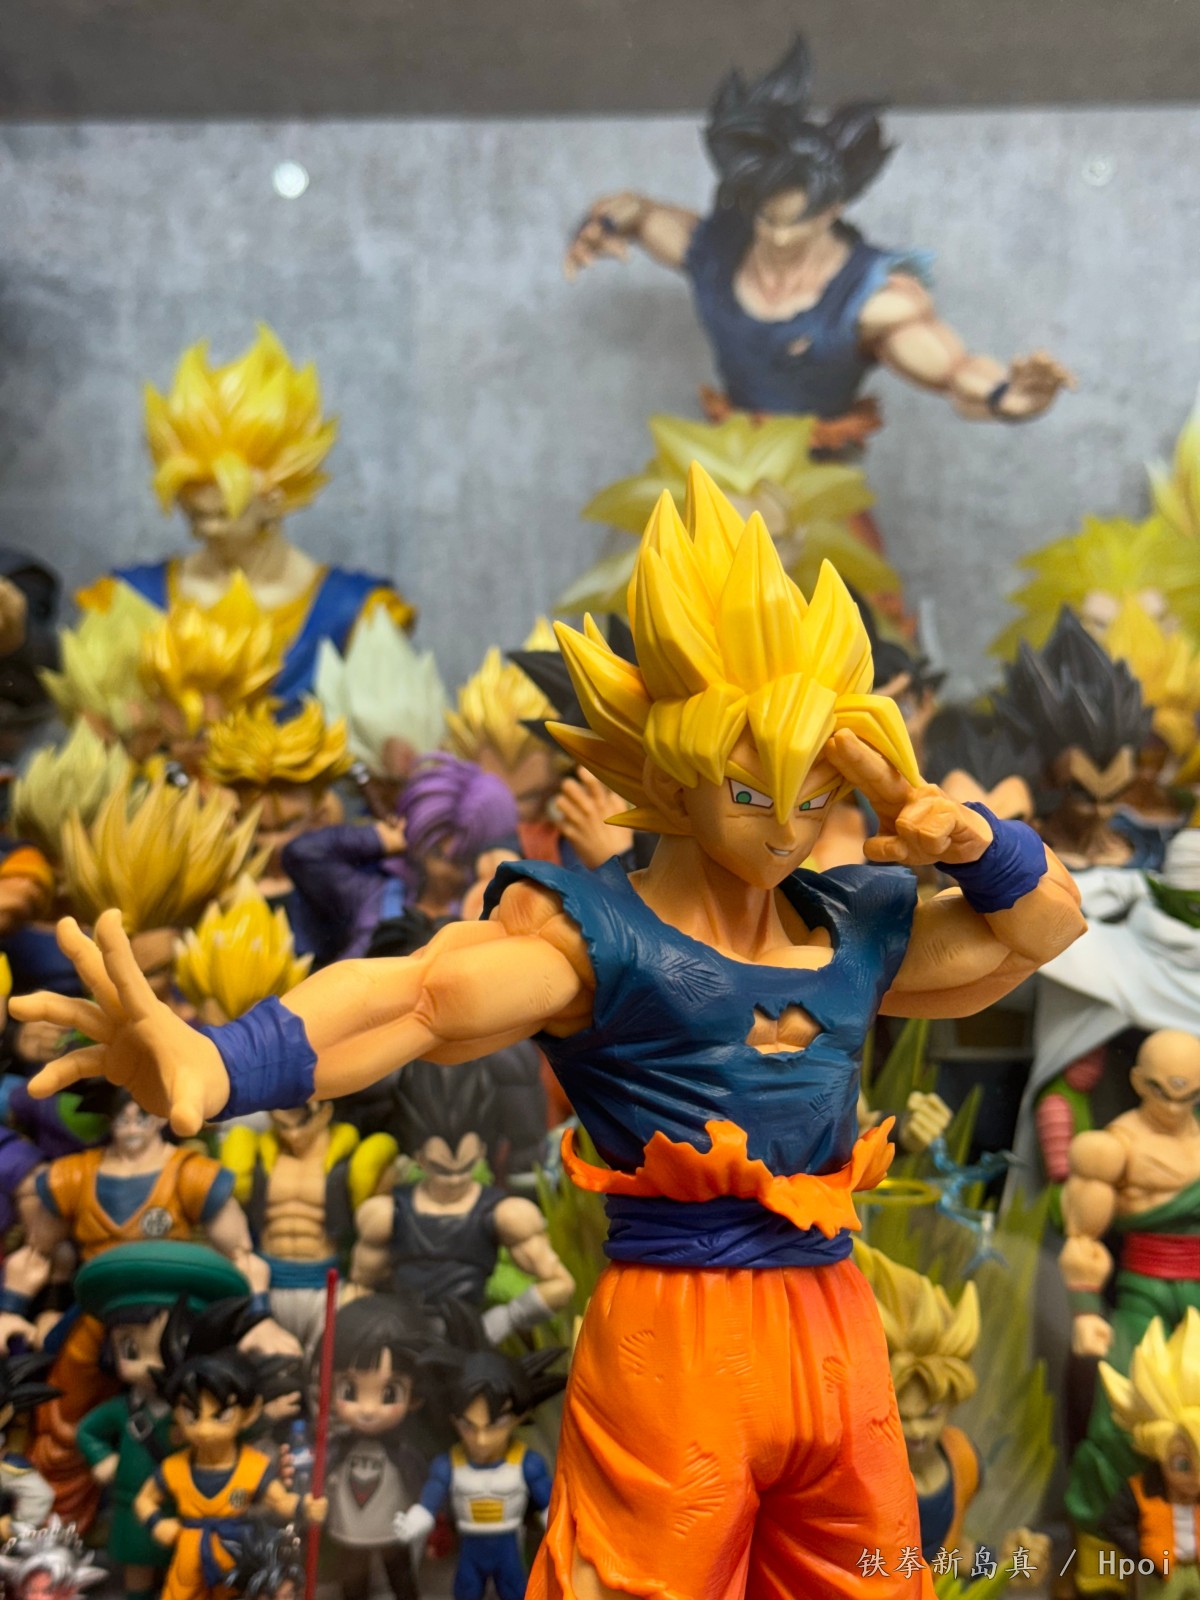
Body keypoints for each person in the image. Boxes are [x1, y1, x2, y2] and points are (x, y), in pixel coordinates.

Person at [13, 465, 1086, 1600]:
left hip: (833, 1326)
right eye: (751, 790)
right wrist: (224, 1060)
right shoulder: (599, 938)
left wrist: (963, 836)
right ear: (672, 773)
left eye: (816, 793)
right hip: (675, 1336)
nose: (786, 827)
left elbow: (1042, 930)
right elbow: (419, 996)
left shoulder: (854, 924)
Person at [567, 37, 1072, 437]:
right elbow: (639, 213)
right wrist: (601, 225)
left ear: (833, 209)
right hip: (726, 467)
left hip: (816, 490)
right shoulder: (715, 250)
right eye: (766, 219)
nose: (778, 237)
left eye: (796, 222)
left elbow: (953, 371)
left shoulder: (873, 297)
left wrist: (1006, 398)